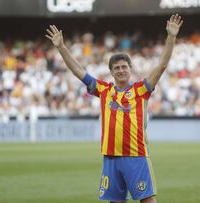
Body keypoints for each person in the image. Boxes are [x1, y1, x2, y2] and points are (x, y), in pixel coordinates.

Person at [45, 14, 183, 203]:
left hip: (135, 155)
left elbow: (162, 65)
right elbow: (78, 71)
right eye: (116, 68)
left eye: (124, 67)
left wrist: (171, 37)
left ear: (130, 68)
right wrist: (61, 47)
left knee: (148, 200)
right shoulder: (104, 90)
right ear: (111, 72)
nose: (120, 70)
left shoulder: (140, 90)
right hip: (110, 157)